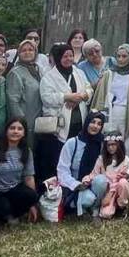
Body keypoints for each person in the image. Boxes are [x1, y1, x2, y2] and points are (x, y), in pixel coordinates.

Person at [39, 43, 93, 189]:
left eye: (70, 55)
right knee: (59, 155)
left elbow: (89, 88)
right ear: (58, 58)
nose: (69, 59)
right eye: (65, 56)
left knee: (77, 152)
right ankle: (58, 187)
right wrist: (67, 97)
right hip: (61, 125)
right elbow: (47, 97)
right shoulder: (49, 77)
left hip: (79, 121)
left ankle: (77, 181)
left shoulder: (78, 72)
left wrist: (81, 96)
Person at [91, 43, 129, 159]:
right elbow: (100, 96)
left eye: (124, 56)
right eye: (118, 56)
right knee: (107, 142)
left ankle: (123, 173)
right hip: (109, 112)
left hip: (128, 113)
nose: (121, 59)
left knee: (126, 145)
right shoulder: (108, 74)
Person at [58, 111, 108, 217]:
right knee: (88, 199)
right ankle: (81, 204)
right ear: (86, 123)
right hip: (76, 185)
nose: (95, 126)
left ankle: (96, 208)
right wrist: (76, 185)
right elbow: (62, 171)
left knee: (101, 180)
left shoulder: (103, 144)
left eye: (99, 124)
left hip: (94, 183)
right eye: (93, 122)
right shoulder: (72, 143)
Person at [5, 39, 43, 143]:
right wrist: (20, 125)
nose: (27, 52)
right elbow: (13, 101)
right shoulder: (15, 73)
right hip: (24, 125)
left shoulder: (38, 70)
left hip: (38, 123)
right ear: (19, 53)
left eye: (31, 50)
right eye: (23, 50)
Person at [91, 134, 129, 219]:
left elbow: (119, 179)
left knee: (123, 182)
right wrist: (86, 180)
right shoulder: (101, 159)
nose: (110, 147)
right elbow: (94, 174)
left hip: (118, 189)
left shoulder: (125, 160)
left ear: (119, 145)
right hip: (107, 189)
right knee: (105, 214)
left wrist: (109, 195)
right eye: (108, 145)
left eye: (113, 144)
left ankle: (121, 206)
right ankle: (109, 206)